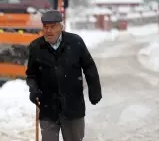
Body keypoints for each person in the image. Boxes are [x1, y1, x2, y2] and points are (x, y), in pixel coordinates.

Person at [25, 10, 102, 141]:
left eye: (52, 26)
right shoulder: (36, 47)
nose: (48, 31)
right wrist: (33, 88)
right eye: (45, 27)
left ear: (61, 26)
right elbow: (31, 74)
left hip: (73, 106)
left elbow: (89, 67)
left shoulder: (75, 42)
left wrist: (95, 92)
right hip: (48, 107)